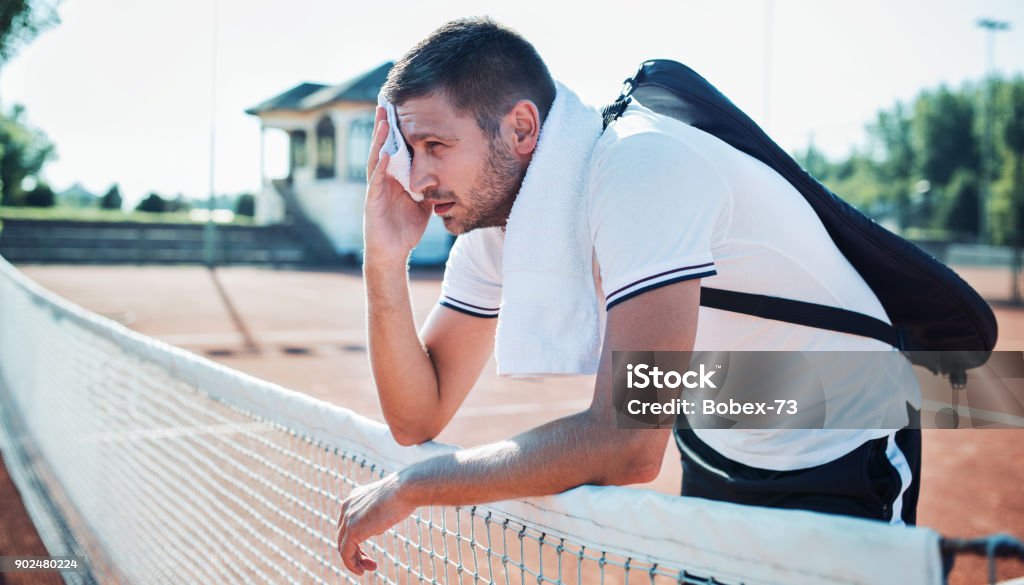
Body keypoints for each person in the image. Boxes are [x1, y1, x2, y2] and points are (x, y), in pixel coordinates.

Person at [336, 16, 921, 575]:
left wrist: (418, 484)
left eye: (435, 144)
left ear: (521, 129)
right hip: (723, 427)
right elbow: (418, 416)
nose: (415, 178)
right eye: (409, 151)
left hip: (844, 426)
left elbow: (628, 445)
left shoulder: (640, 167)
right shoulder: (496, 225)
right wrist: (385, 260)